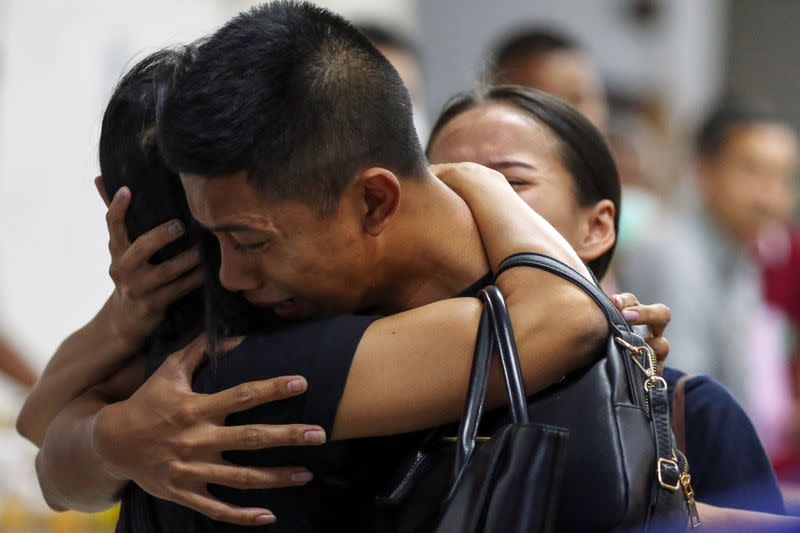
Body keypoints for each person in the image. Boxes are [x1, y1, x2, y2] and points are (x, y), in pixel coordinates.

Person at [23, 7, 613, 530]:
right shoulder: (265, 364)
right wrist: (481, 183)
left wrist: (109, 419)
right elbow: (570, 315)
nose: (232, 274)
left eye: (249, 241)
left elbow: (44, 428)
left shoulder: (254, 350)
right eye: (220, 240)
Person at [425, 85, 786, 516]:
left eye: (508, 182)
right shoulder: (369, 386)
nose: (466, 204)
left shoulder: (691, 414)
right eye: (441, 183)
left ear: (596, 227)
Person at [616, 104, 799, 423]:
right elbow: (687, 399)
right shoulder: (673, 255)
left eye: (785, 177)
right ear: (704, 171)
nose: (771, 194)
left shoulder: (741, 255)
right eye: (753, 170)